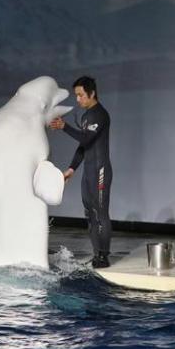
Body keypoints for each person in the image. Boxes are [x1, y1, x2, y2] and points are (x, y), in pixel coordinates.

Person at [50, 76, 113, 268]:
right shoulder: (86, 116)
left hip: (100, 170)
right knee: (90, 213)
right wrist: (71, 168)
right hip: (88, 171)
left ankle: (104, 256)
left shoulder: (100, 115)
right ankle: (96, 255)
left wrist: (64, 127)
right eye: (76, 95)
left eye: (80, 95)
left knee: (101, 213)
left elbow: (87, 140)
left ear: (91, 93)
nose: (77, 99)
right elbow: (83, 145)